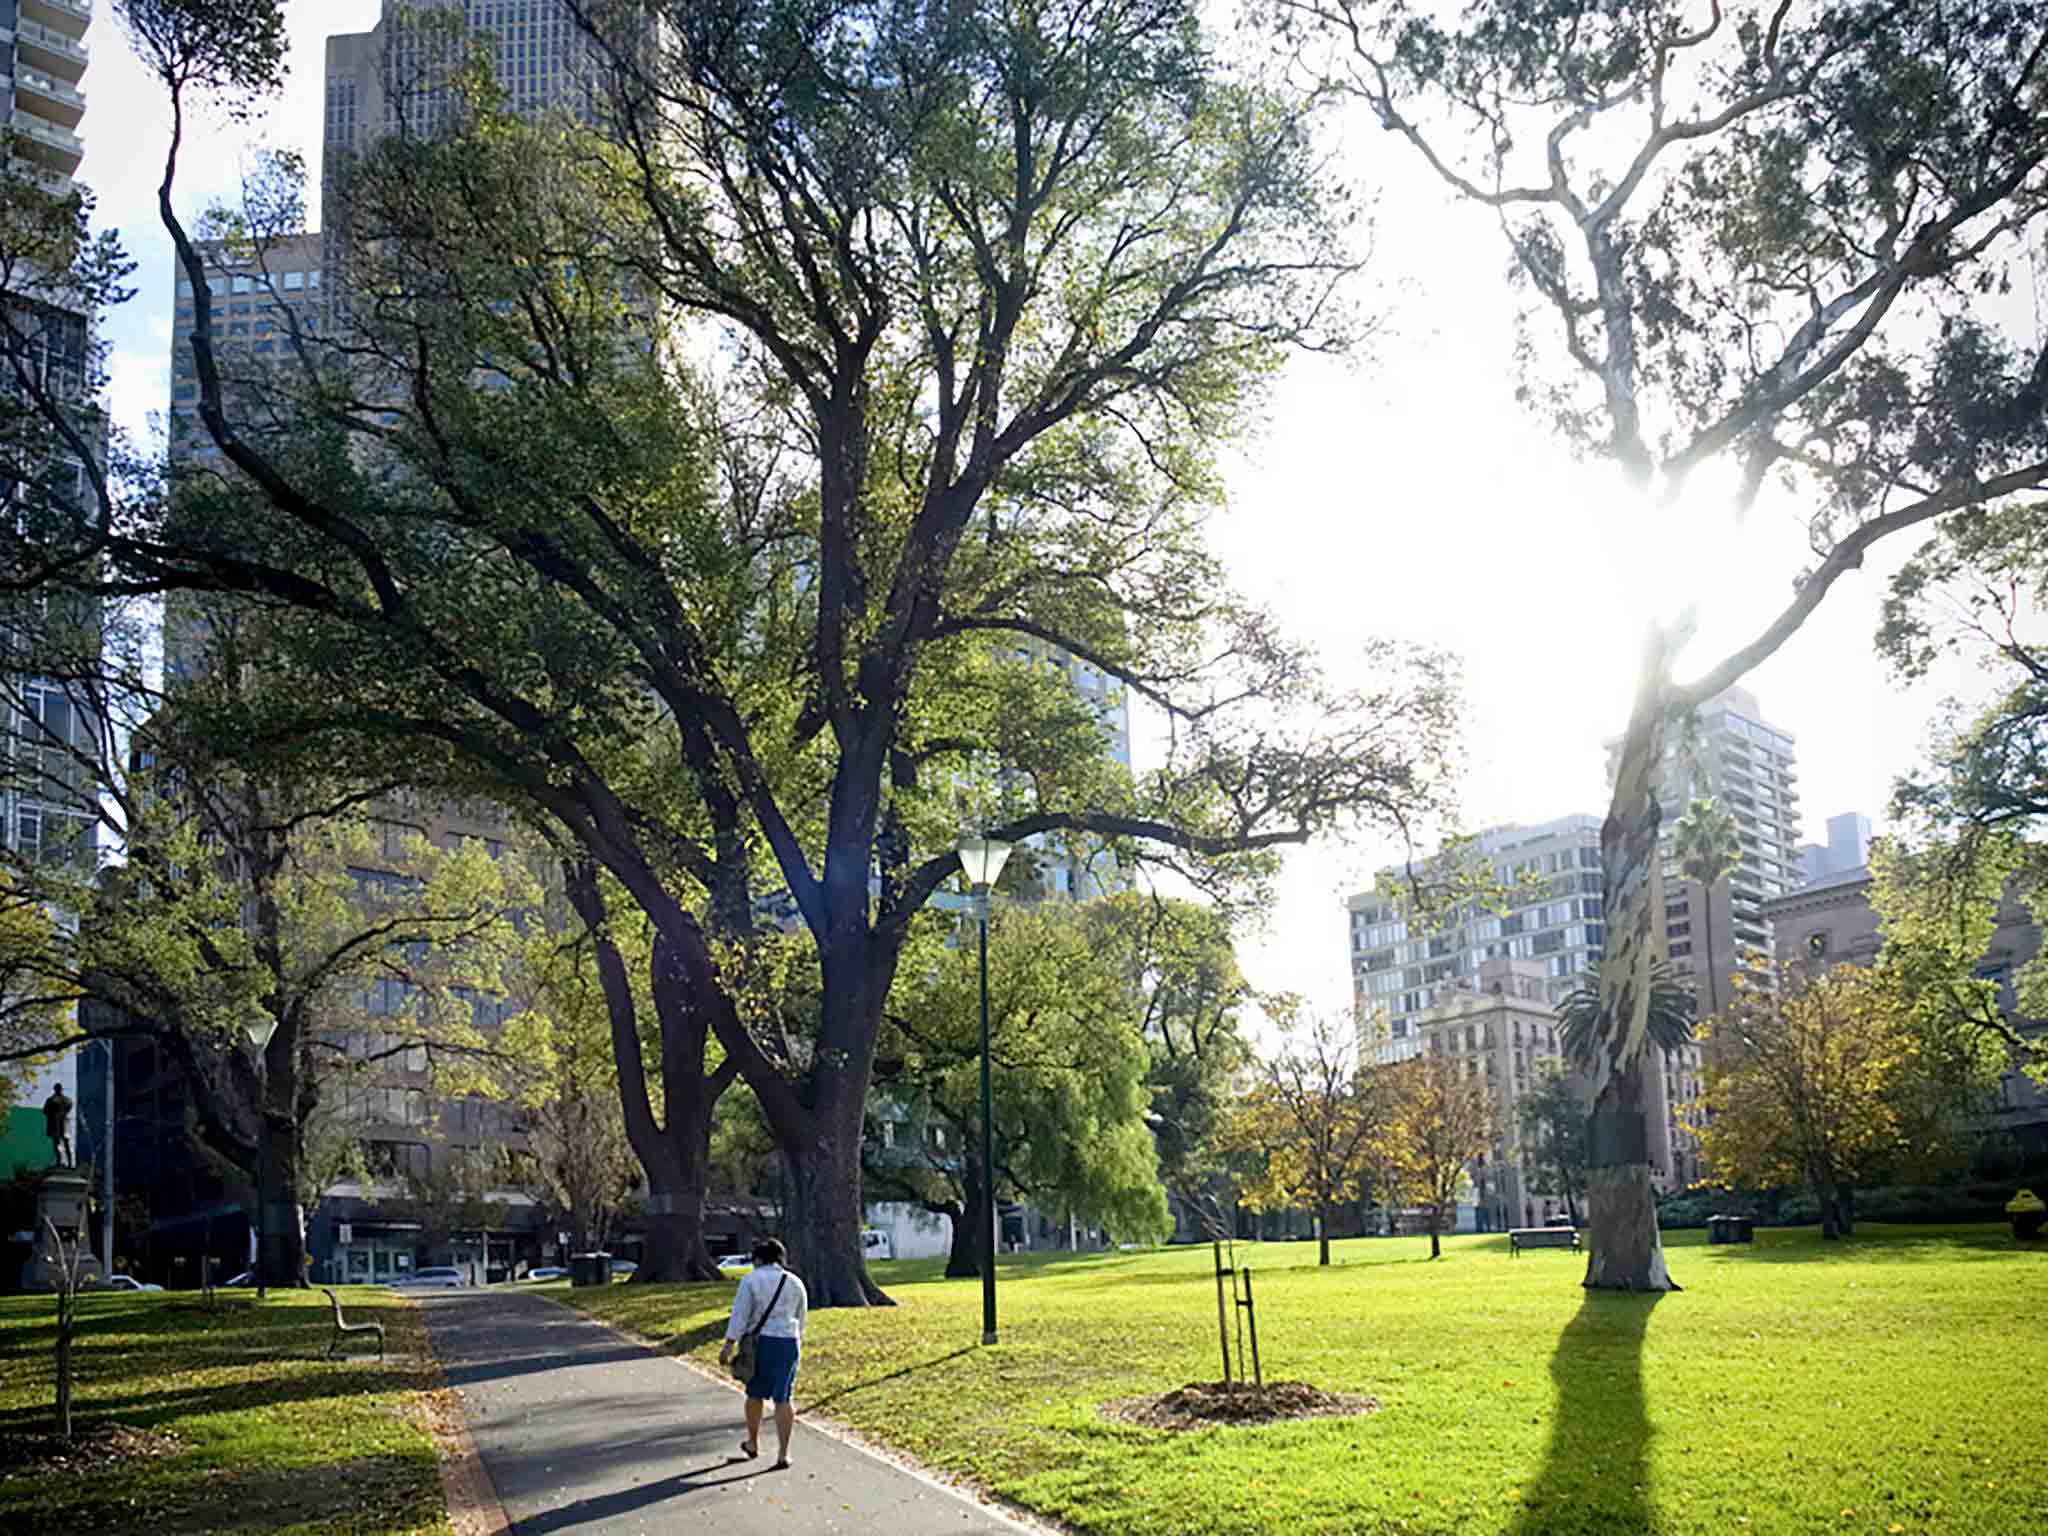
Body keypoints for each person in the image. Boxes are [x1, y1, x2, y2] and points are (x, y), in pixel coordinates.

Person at [718, 1236, 808, 1469]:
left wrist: (729, 1344)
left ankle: (753, 1441)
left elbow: (740, 1316)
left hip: (761, 1343)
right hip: (789, 1342)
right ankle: (783, 1453)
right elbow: (801, 1317)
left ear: (757, 1258)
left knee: (755, 1393)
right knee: (784, 1398)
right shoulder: (795, 1282)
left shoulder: (751, 1280)